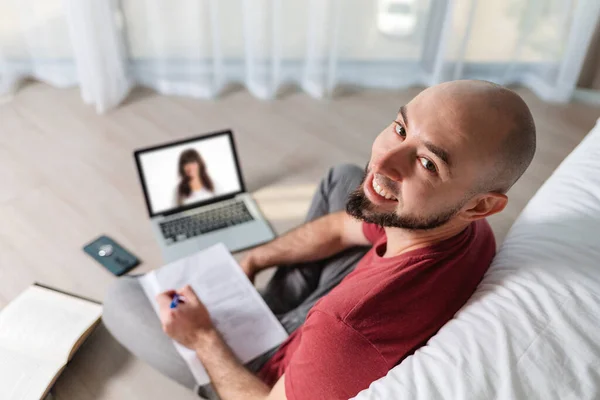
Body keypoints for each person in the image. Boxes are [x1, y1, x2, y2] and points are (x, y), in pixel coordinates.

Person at [103, 80, 536, 400]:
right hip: (335, 307)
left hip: (271, 373)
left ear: (482, 205)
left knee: (122, 295)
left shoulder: (344, 329)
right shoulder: (467, 229)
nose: (382, 160)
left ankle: (255, 318)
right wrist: (254, 260)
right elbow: (338, 227)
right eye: (400, 129)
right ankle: (267, 297)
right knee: (345, 180)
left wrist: (201, 337)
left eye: (426, 163)